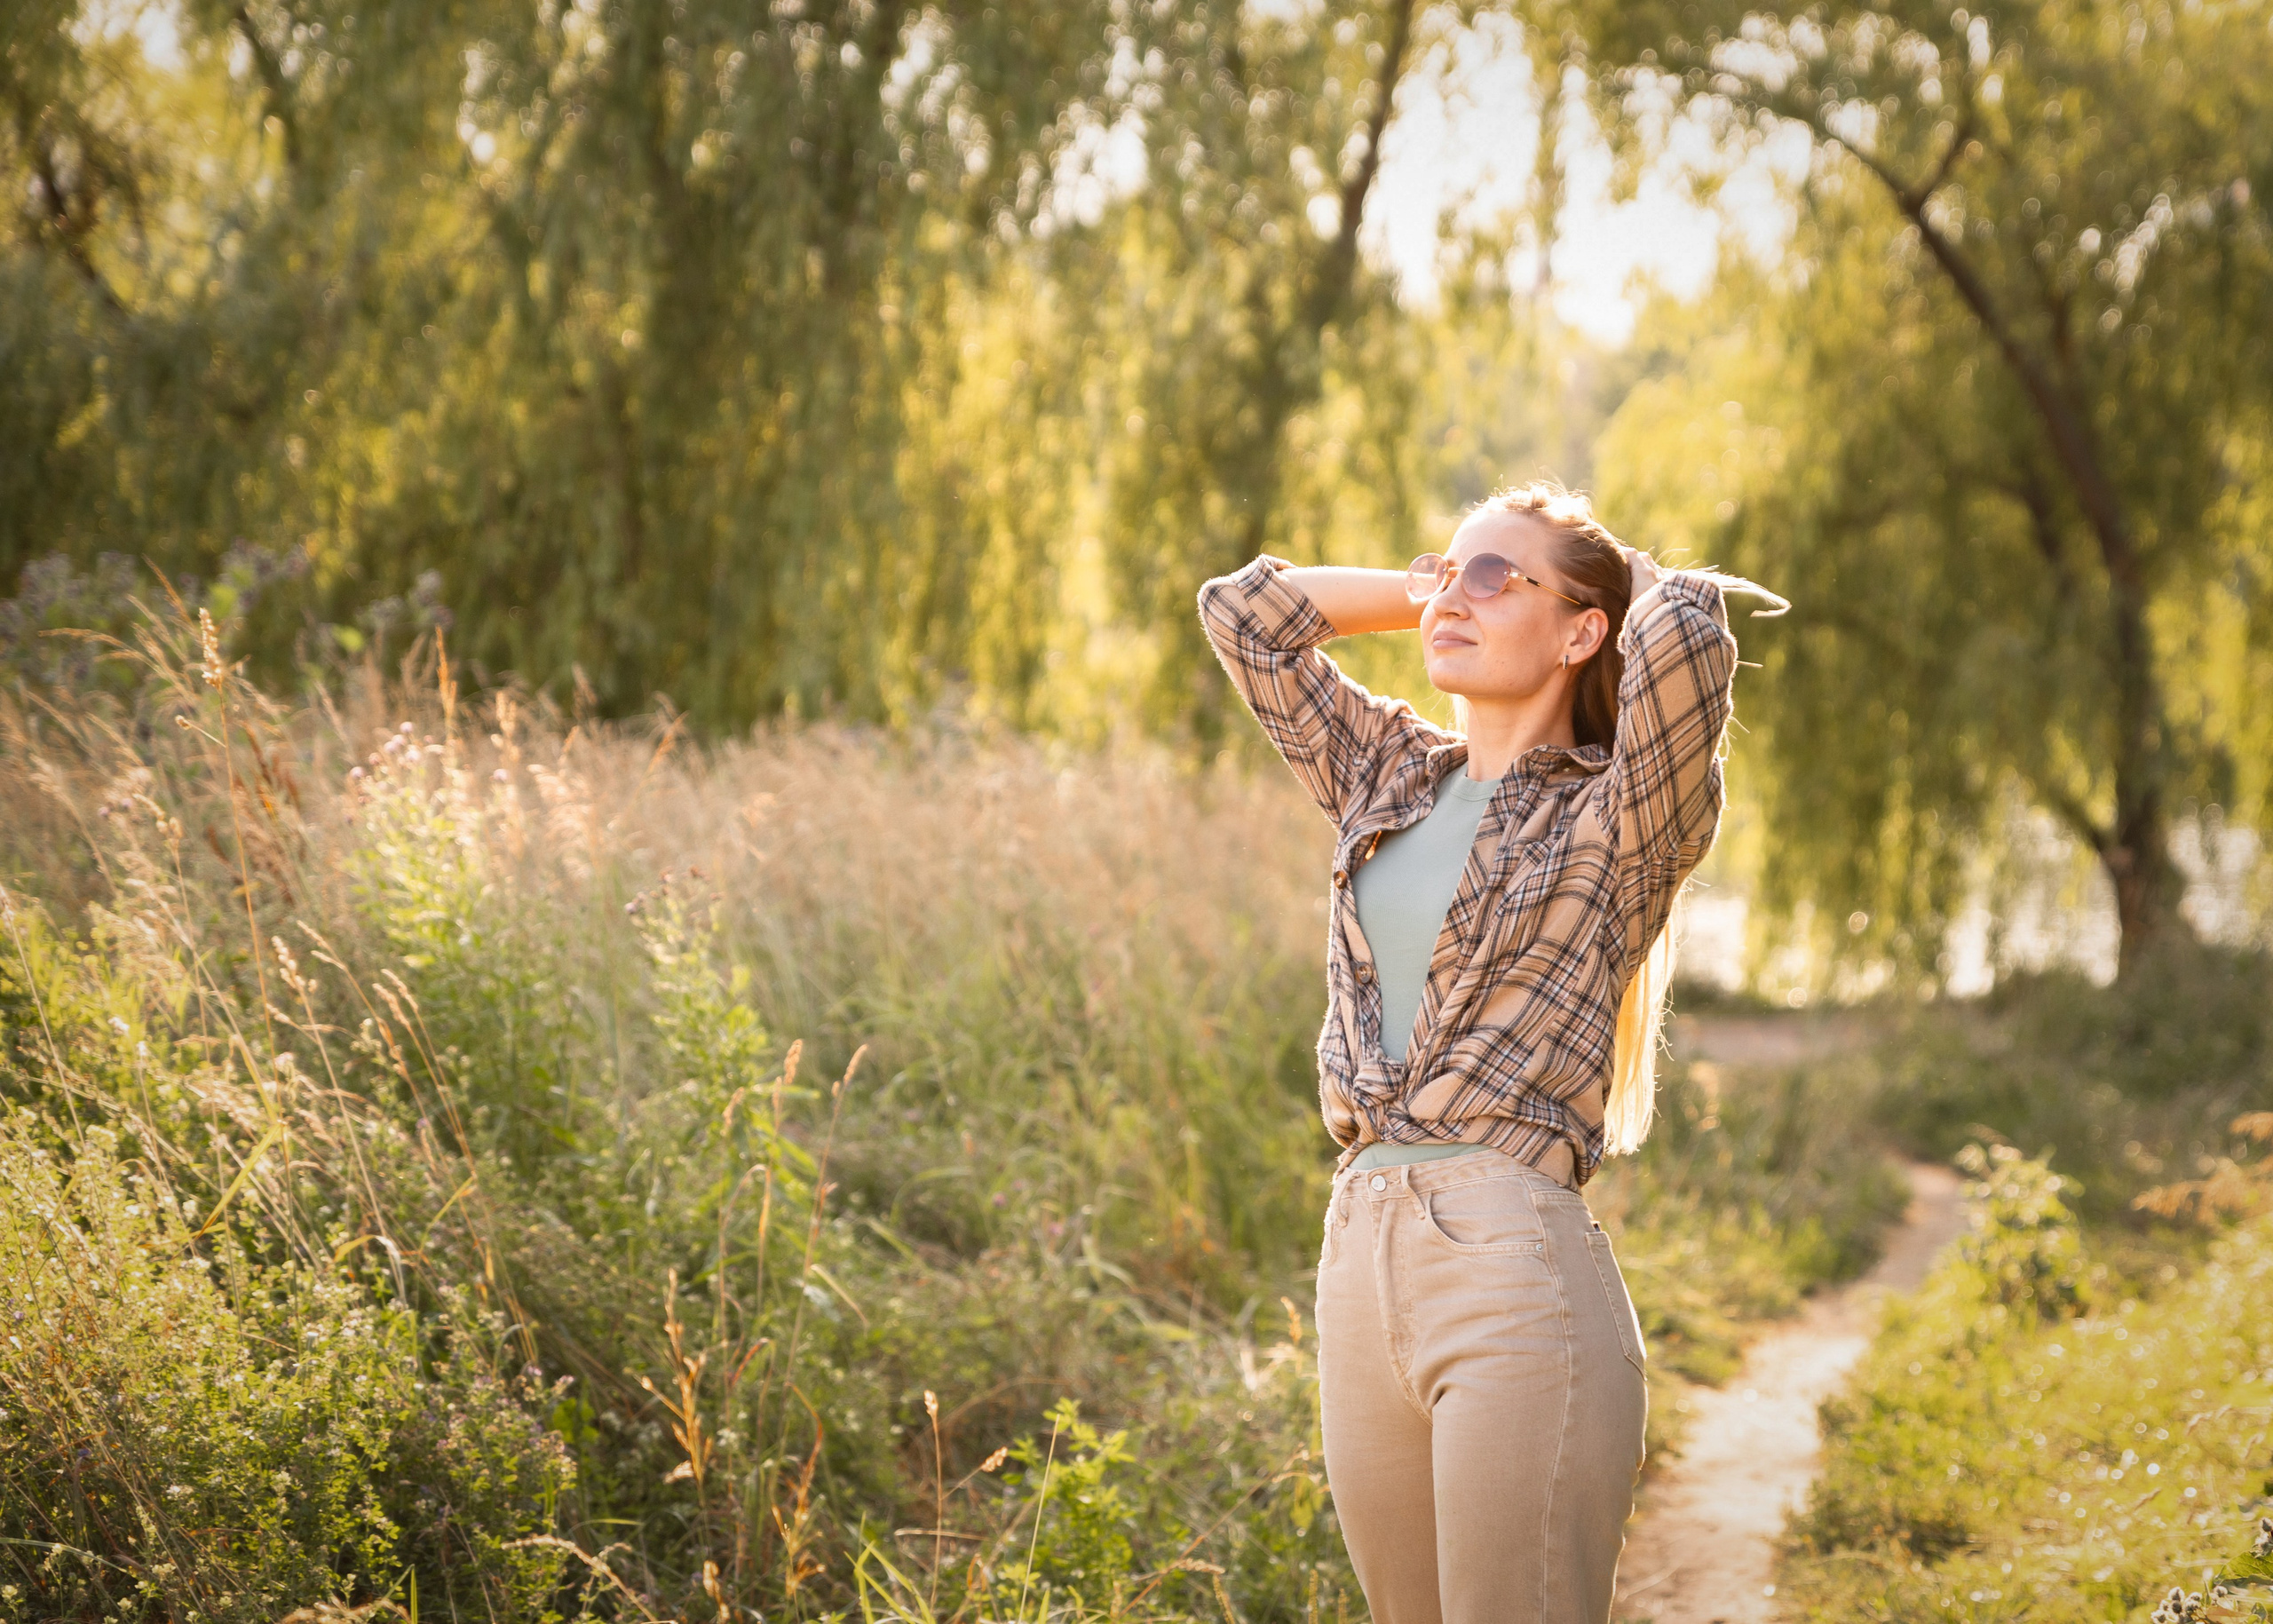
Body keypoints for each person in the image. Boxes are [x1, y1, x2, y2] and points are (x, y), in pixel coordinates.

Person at [1195, 482, 1783, 1624]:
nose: (1451, 598)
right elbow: (1244, 615)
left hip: (1511, 1260)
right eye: (1443, 568)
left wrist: (1625, 576)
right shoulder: (1390, 774)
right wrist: (1438, 588)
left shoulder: (1621, 813)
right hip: (1358, 1254)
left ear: (1580, 631)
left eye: (1491, 578)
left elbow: (1688, 637)